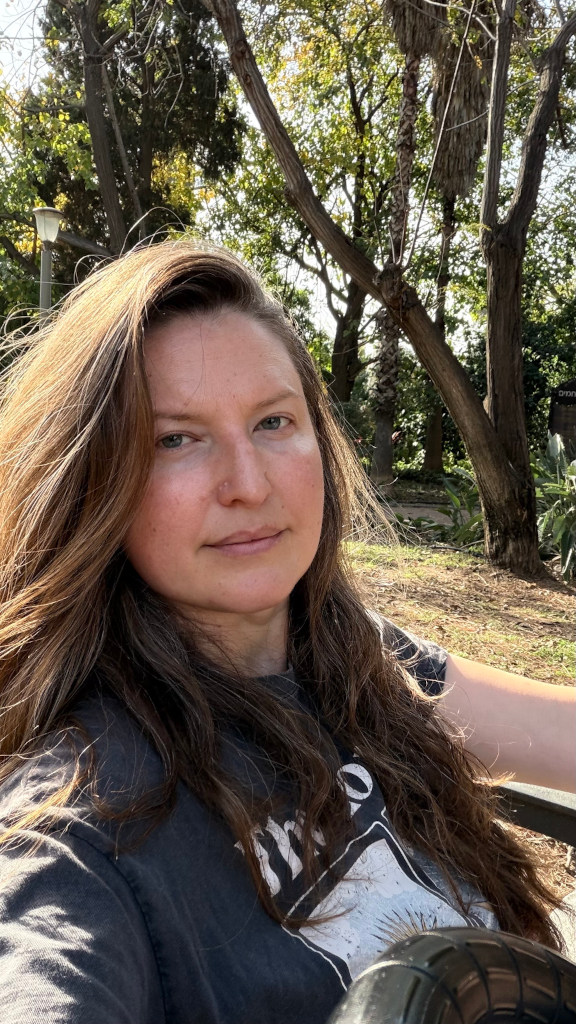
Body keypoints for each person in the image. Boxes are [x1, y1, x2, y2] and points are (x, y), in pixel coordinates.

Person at [0, 240, 573, 1024]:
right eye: (175, 439)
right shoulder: (80, 816)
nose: (249, 483)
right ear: (94, 481)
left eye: (273, 421)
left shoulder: (359, 654)